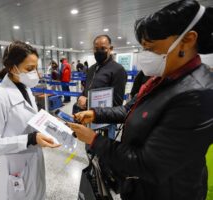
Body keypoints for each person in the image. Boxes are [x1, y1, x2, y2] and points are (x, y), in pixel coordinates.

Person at [69, 1, 213, 199]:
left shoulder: (197, 94)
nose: (145, 56)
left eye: (151, 49)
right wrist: (94, 113)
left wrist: (94, 140)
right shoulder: (162, 78)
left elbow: (149, 164)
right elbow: (128, 109)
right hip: (139, 187)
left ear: (187, 40)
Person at [0, 41, 60, 200]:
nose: (36, 74)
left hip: (33, 157)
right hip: (16, 164)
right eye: (30, 69)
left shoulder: (26, 88)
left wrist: (53, 126)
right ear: (11, 67)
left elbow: (29, 118)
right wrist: (31, 139)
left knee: (38, 192)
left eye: (36, 68)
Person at [74, 35, 127, 139]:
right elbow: (86, 90)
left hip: (106, 123)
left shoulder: (118, 70)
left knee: (104, 152)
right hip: (89, 119)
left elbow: (117, 103)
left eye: (103, 48)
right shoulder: (92, 69)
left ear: (110, 49)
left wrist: (89, 101)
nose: (99, 51)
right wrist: (80, 97)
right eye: (96, 49)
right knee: (90, 149)